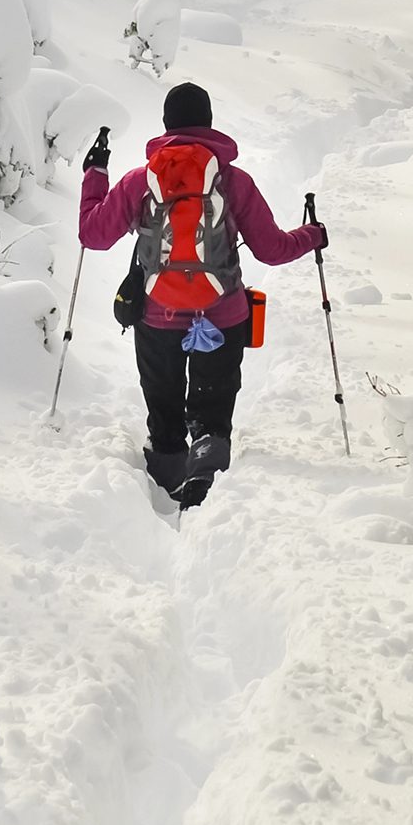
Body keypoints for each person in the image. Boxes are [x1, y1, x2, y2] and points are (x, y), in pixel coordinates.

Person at [78, 82, 327, 507]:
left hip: (157, 316)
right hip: (223, 314)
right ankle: (206, 483)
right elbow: (271, 249)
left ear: (165, 124)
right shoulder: (232, 181)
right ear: (209, 123)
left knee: (164, 402)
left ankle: (164, 477)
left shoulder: (141, 180)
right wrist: (313, 234)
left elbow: (93, 235)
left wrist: (94, 177)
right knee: (213, 407)